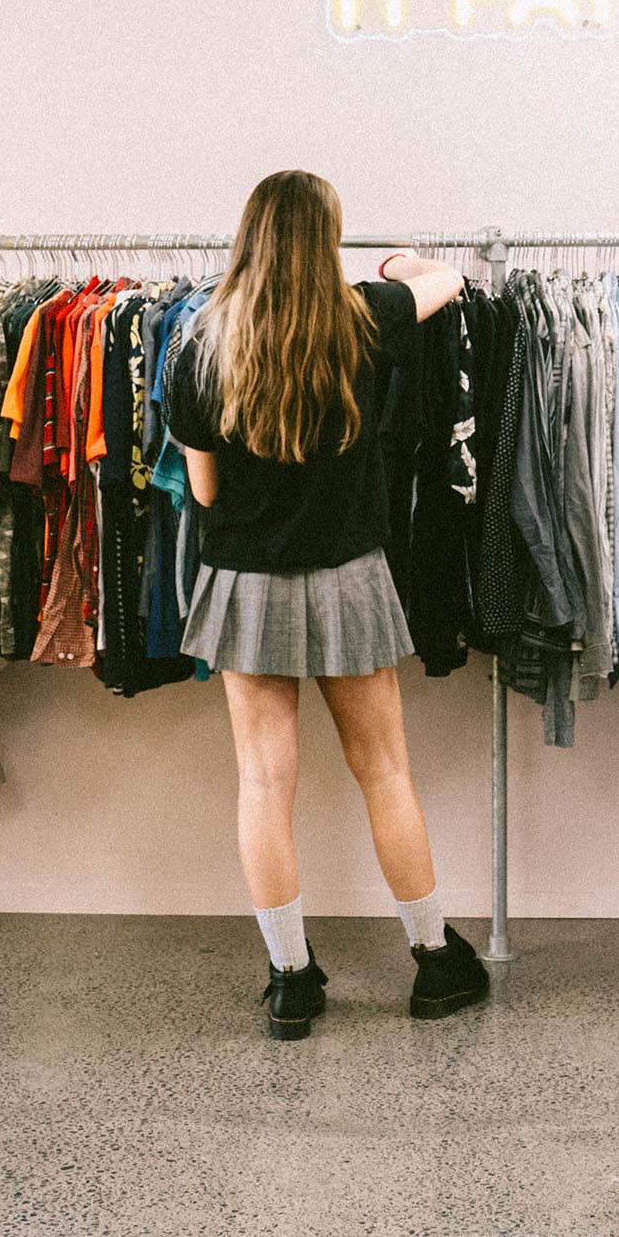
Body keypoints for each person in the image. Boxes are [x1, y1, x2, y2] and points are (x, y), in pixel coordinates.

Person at [168, 170, 490, 1041]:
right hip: (347, 575)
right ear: (326, 241)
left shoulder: (198, 347)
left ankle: (290, 979)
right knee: (384, 769)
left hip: (245, 582)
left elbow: (205, 491)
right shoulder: (365, 318)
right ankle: (434, 960)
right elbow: (447, 279)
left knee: (262, 782)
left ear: (249, 238)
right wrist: (398, 260)